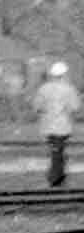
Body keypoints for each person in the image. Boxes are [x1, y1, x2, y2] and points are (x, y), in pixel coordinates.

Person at [34, 60, 79, 189]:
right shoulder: (69, 89)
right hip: (63, 127)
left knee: (56, 151)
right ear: (64, 74)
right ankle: (56, 178)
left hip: (48, 127)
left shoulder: (44, 89)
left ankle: (57, 177)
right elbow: (76, 107)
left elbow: (37, 107)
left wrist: (46, 111)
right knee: (58, 151)